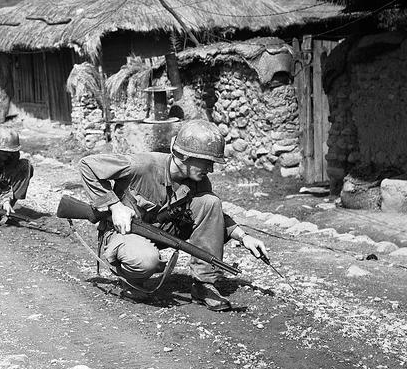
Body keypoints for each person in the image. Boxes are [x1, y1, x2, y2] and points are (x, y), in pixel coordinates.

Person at [77, 119, 268, 310]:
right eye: (206, 163)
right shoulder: (142, 165)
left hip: (160, 232)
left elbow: (214, 215)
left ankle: (204, 285)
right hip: (125, 232)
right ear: (183, 155)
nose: (210, 169)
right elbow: (87, 165)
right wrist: (115, 206)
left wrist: (244, 237)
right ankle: (131, 279)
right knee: (146, 260)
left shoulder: (198, 181)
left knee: (211, 202)